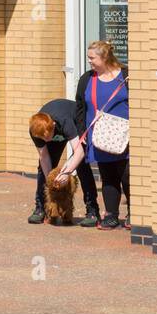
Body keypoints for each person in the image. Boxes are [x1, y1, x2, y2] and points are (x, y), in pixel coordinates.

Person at [61, 40, 130, 230]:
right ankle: (111, 216)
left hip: (124, 136)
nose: (89, 61)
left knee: (127, 175)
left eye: (92, 58)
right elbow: (80, 107)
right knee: (108, 177)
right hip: (99, 136)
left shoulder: (126, 75)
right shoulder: (87, 79)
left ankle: (134, 212)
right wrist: (84, 131)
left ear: (105, 57)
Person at [27, 98, 100, 227]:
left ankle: (92, 210)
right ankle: (40, 208)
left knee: (82, 166)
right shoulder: (36, 131)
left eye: (47, 136)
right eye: (42, 138)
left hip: (77, 123)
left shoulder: (64, 122)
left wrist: (67, 172)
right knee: (43, 171)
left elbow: (79, 152)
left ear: (53, 126)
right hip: (57, 132)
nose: (45, 140)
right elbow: (44, 157)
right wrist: (51, 179)